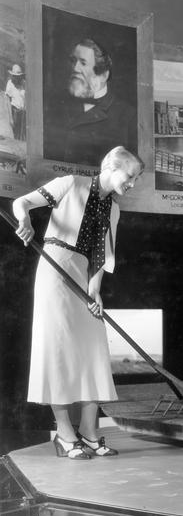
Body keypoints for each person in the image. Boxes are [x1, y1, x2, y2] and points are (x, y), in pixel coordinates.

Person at [12, 146, 144, 459]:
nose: (133, 183)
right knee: (58, 349)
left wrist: (95, 289)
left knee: (92, 349)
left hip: (84, 274)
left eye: (136, 178)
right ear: (111, 167)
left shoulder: (114, 210)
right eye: (130, 176)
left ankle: (89, 429)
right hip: (55, 268)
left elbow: (102, 255)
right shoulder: (71, 184)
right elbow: (22, 202)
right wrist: (25, 220)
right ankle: (65, 433)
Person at [43, 38, 137, 166]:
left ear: (103, 75)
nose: (75, 68)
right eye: (73, 61)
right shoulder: (54, 103)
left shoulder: (127, 116)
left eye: (83, 62)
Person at [5, 63, 26, 141]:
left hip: (24, 111)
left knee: (24, 134)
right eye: (16, 76)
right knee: (16, 133)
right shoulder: (10, 84)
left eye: (19, 76)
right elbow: (7, 101)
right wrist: (10, 117)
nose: (17, 78)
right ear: (13, 76)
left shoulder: (24, 83)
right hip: (15, 111)